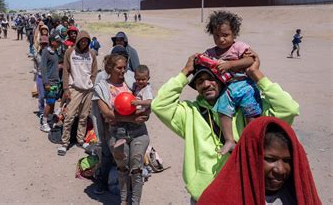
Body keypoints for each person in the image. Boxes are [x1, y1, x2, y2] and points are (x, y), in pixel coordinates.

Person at [151, 50, 299, 202]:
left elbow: (289, 109)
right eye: (200, 81)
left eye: (211, 79)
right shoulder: (190, 113)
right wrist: (185, 72)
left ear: (222, 80)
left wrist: (256, 74)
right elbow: (159, 105)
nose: (206, 84)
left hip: (242, 196)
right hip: (204, 197)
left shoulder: (248, 109)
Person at [198, 117, 321, 204]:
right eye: (270, 159)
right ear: (249, 157)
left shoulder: (299, 196)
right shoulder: (217, 199)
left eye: (287, 160)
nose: (281, 169)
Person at [202, 11, 262, 155]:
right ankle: (229, 140)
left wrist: (230, 65)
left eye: (225, 35)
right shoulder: (211, 52)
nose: (221, 39)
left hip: (245, 85)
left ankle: (253, 140)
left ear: (234, 33)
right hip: (227, 88)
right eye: (217, 36)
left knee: (251, 111)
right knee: (223, 110)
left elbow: (250, 60)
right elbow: (204, 63)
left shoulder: (239, 47)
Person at [94, 54, 150, 205]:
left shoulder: (132, 82)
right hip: (117, 135)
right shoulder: (101, 88)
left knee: (137, 167)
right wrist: (130, 118)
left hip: (138, 132)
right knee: (122, 168)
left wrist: (146, 113)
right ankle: (124, 201)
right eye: (119, 68)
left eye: (124, 67)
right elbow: (107, 114)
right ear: (110, 68)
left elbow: (147, 98)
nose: (123, 70)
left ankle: (135, 202)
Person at [58, 30, 98, 156]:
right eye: (82, 40)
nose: (84, 43)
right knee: (69, 116)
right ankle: (64, 143)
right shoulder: (70, 52)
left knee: (83, 116)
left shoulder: (91, 53)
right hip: (74, 88)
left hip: (88, 90)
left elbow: (94, 71)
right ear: (78, 40)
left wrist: (91, 82)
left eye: (86, 41)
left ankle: (80, 140)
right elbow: (66, 71)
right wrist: (66, 89)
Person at [39, 36, 62, 132]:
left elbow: (52, 65)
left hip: (56, 81)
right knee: (49, 103)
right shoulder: (46, 52)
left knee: (52, 103)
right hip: (50, 82)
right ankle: (44, 123)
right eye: (58, 42)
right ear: (52, 42)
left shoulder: (55, 52)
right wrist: (46, 82)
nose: (60, 43)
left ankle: (50, 120)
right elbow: (43, 68)